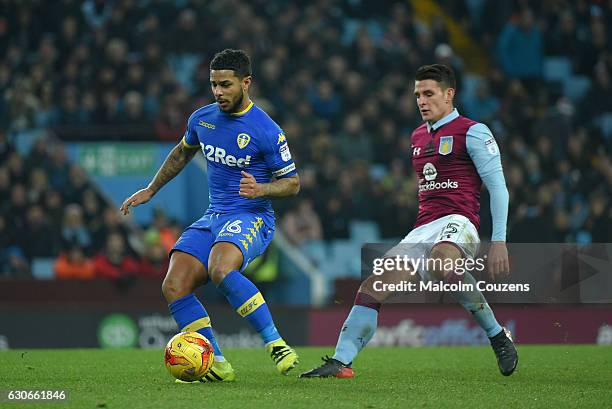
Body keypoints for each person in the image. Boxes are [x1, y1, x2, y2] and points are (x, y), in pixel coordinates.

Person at [300, 64, 518, 379]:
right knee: (374, 287)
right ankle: (340, 361)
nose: (421, 101)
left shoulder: (473, 131)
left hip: (459, 221)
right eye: (417, 94)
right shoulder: (417, 137)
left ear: (449, 94)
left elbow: (498, 187)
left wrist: (499, 241)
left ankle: (497, 336)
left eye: (429, 94)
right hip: (423, 227)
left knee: (444, 263)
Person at [121, 49, 300, 382]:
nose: (218, 92)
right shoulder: (201, 119)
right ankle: (216, 361)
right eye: (214, 85)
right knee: (173, 285)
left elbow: (292, 183)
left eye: (226, 85)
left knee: (220, 268)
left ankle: (275, 343)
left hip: (252, 216)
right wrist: (151, 189)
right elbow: (181, 154)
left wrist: (262, 189)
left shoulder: (266, 130)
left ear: (246, 83)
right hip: (214, 215)